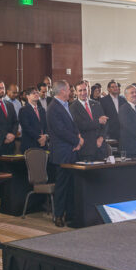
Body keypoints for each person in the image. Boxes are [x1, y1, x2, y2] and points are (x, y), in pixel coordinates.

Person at [45, 81, 82, 227]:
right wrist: (76, 141)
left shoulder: (66, 105)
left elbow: (73, 126)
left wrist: (78, 137)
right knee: (62, 186)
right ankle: (58, 215)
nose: (71, 91)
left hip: (71, 150)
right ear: (61, 91)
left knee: (72, 185)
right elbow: (60, 130)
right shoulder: (53, 108)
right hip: (62, 153)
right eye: (68, 89)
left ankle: (70, 214)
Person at [71, 80, 108, 160]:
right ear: (76, 92)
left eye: (85, 89)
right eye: (80, 90)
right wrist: (98, 121)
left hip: (100, 148)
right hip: (86, 150)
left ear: (88, 90)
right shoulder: (73, 107)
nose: (83, 92)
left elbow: (105, 123)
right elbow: (80, 125)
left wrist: (101, 137)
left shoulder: (96, 104)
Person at [19, 85, 49, 152]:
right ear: (27, 96)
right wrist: (39, 138)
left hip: (43, 145)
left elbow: (46, 126)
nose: (36, 94)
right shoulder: (23, 110)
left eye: (37, 93)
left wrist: (45, 136)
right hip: (30, 144)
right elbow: (26, 127)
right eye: (33, 93)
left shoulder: (42, 110)